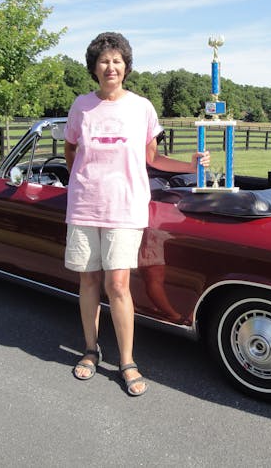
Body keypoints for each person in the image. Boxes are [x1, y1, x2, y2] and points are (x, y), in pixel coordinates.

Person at [63, 32, 210, 396]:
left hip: (125, 208)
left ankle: (126, 361)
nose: (110, 67)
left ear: (126, 66)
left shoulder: (141, 107)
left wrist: (189, 164)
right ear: (94, 67)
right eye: (103, 61)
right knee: (88, 283)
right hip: (84, 206)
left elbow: (151, 159)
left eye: (116, 60)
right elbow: (70, 153)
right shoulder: (81, 106)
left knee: (118, 286)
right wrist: (85, 182)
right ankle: (90, 350)